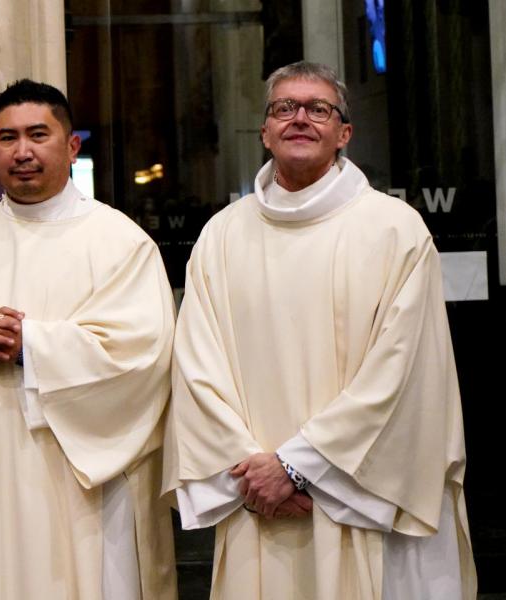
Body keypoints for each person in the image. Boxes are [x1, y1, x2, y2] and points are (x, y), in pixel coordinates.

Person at [162, 61, 477, 599]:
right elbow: (196, 366)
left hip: (367, 498)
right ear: (264, 131)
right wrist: (255, 475)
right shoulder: (222, 236)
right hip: (255, 496)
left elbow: (405, 372)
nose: (300, 119)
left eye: (318, 109)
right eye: (284, 108)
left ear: (344, 133)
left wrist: (295, 466)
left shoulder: (394, 229)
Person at [0, 79, 177, 599]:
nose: (22, 151)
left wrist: (31, 345)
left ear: (71, 146)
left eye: (37, 135)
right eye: (7, 138)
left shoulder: (119, 241)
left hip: (84, 477)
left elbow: (144, 355)